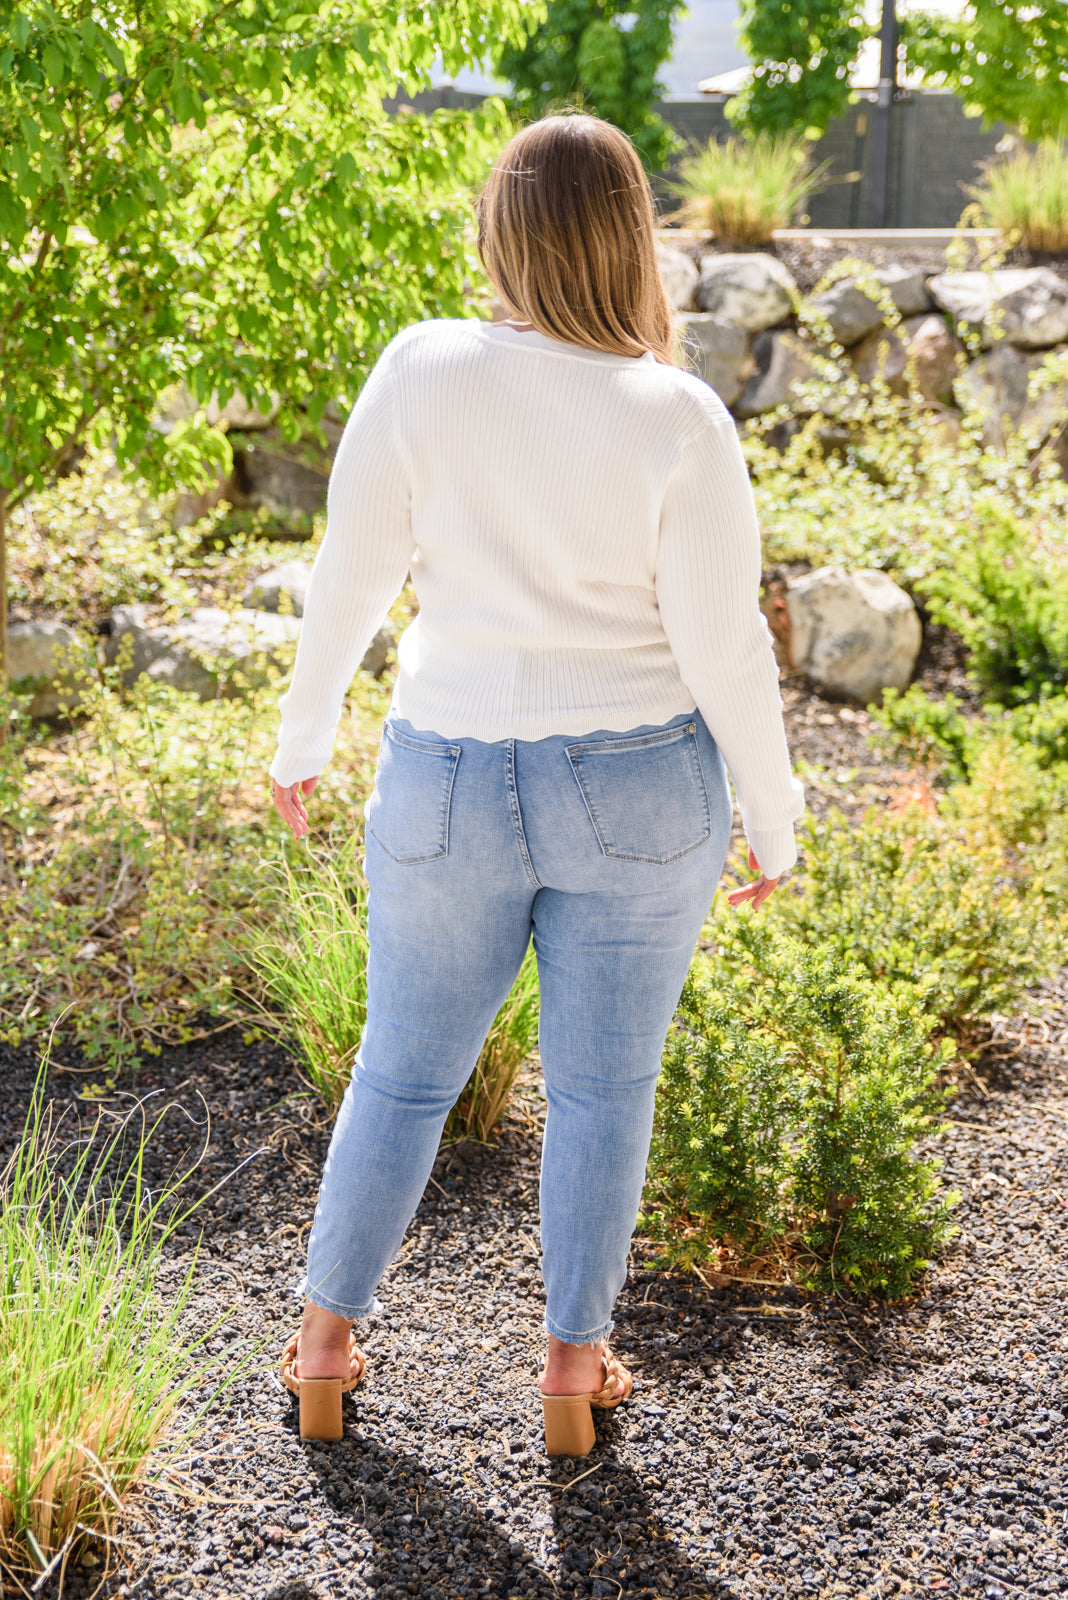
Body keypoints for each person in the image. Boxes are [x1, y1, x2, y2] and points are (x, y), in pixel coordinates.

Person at [269, 112, 804, 1454]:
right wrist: (775, 817)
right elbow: (723, 643)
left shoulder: (423, 369)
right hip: (639, 791)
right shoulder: (677, 413)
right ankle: (574, 1367)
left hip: (447, 775)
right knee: (605, 1087)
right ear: (635, 234)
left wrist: (301, 741)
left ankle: (325, 1345)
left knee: (400, 1073)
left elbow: (349, 578)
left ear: (499, 230)